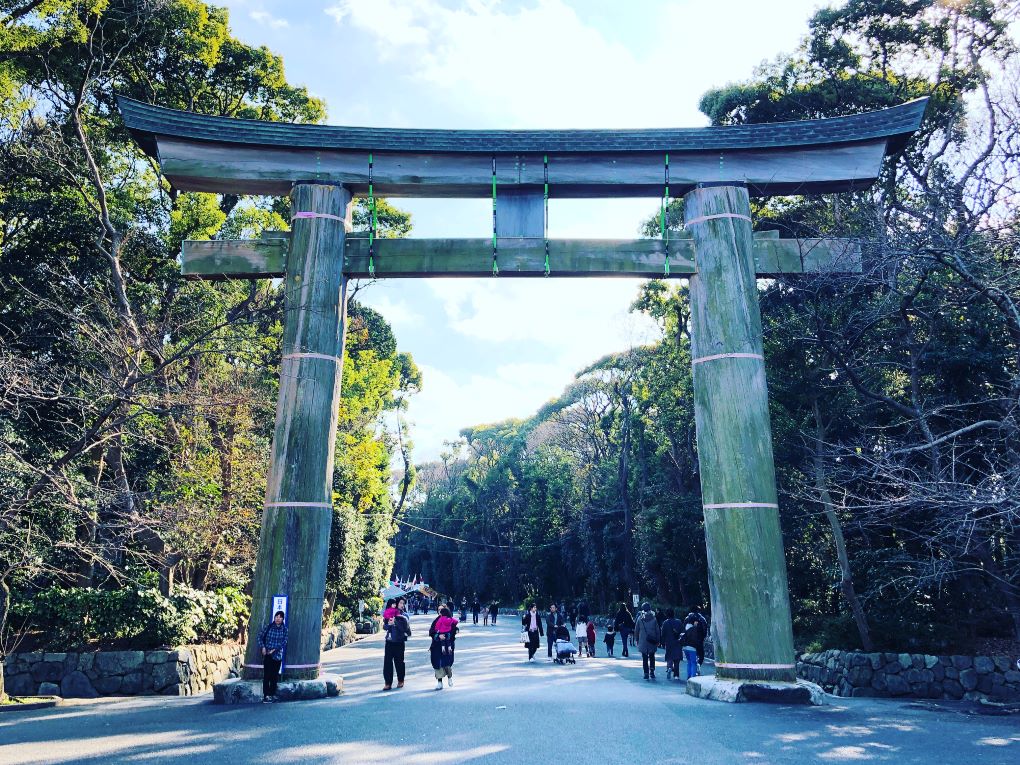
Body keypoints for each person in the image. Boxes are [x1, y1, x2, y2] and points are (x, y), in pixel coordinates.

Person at [257, 610, 287, 703]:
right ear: (274, 618)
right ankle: (266, 696)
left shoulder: (284, 629)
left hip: (277, 655)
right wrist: (263, 647)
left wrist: (275, 649)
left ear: (282, 619)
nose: (278, 619)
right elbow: (259, 637)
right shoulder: (269, 627)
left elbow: (284, 642)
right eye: (276, 617)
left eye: (280, 617)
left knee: (274, 676)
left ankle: (272, 694)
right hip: (268, 655)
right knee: (267, 675)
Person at [382, 598, 411, 690]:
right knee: (387, 662)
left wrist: (395, 623)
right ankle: (388, 682)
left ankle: (400, 680)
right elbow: (384, 626)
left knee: (399, 662)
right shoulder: (389, 612)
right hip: (389, 641)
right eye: (401, 603)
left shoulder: (404, 615)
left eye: (403, 603)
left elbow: (404, 628)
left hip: (399, 641)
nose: (402, 605)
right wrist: (388, 625)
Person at [429, 606, 458, 689]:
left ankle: (449, 678)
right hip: (437, 646)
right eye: (438, 609)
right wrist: (438, 636)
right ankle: (439, 682)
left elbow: (454, 630)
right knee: (438, 664)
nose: (440, 611)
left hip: (447, 646)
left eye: (441, 609)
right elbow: (431, 631)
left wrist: (447, 636)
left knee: (447, 664)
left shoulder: (450, 620)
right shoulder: (436, 621)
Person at [635, 602, 660, 680]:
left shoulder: (640, 619)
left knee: (644, 657)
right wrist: (658, 640)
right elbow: (657, 631)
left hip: (643, 641)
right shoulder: (654, 618)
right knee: (652, 656)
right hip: (652, 640)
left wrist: (637, 639)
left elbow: (636, 630)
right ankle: (652, 671)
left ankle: (646, 673)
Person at [660, 608, 684, 680]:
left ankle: (669, 667)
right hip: (677, 642)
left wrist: (662, 642)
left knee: (669, 657)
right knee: (677, 659)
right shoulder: (679, 622)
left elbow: (663, 634)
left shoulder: (665, 623)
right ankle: (676, 675)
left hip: (669, 642)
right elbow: (682, 632)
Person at [681, 614, 701, 680]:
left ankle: (689, 677)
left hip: (685, 647)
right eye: (696, 621)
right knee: (693, 663)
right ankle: (693, 678)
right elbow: (695, 639)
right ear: (693, 622)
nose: (697, 622)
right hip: (692, 648)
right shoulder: (694, 629)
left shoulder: (686, 627)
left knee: (689, 662)